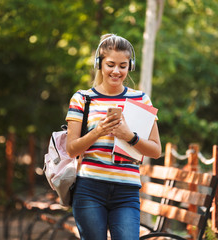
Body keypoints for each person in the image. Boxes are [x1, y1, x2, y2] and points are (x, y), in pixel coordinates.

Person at [65, 33, 161, 240]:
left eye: (123, 65)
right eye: (110, 64)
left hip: (127, 192)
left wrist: (130, 136)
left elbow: (156, 150)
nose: (116, 71)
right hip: (90, 189)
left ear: (130, 66)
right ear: (99, 64)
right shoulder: (82, 98)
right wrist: (98, 131)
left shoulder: (141, 99)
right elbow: (71, 148)